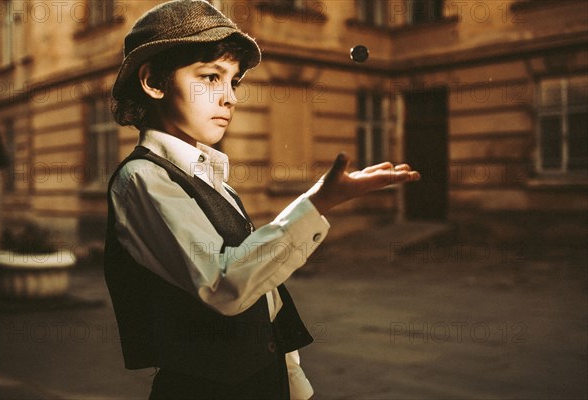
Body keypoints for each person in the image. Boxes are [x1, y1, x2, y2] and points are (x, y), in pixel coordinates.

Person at [104, 1, 420, 399]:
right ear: (154, 82)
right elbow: (225, 286)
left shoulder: (213, 179)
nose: (229, 98)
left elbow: (265, 299)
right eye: (210, 77)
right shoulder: (143, 179)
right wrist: (317, 203)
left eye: (233, 81)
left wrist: (294, 383)